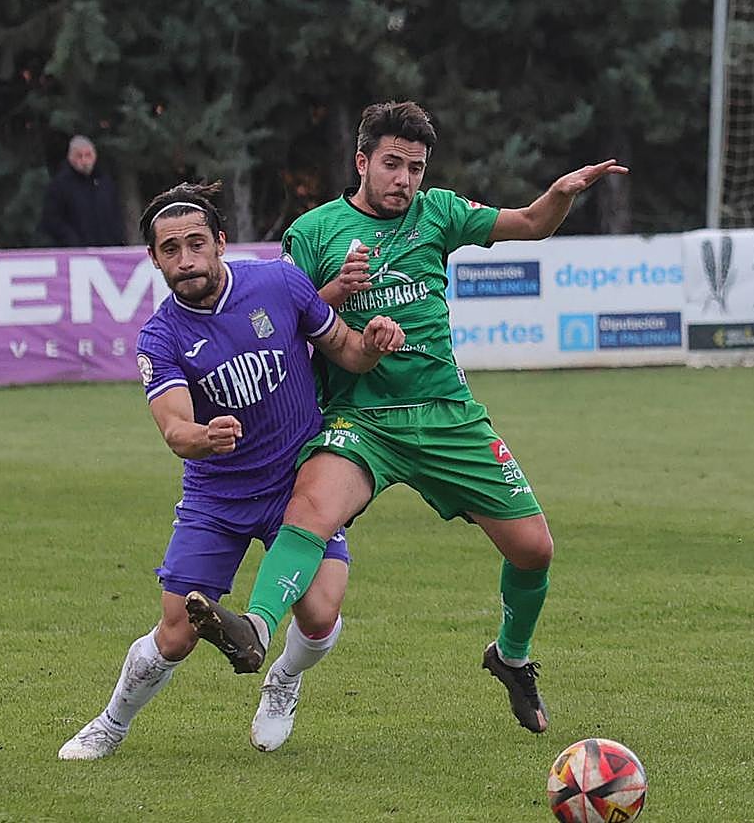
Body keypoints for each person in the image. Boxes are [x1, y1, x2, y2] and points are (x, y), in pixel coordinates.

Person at [184, 100, 628, 735]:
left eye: (415, 167)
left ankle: (511, 657)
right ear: (362, 161)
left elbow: (531, 223)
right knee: (311, 507)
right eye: (392, 164)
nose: (405, 180)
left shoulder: (439, 212)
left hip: (447, 414)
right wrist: (337, 292)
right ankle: (254, 628)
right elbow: (284, 330)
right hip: (362, 417)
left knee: (534, 550)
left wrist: (560, 194)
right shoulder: (313, 232)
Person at [57, 181, 405, 760]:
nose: (186, 259)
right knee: (176, 634)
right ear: (153, 258)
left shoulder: (279, 282)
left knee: (320, 614)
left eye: (197, 243)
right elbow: (174, 430)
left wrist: (372, 343)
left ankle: (284, 679)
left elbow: (345, 350)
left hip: (300, 482)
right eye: (171, 249)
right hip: (216, 497)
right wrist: (204, 436)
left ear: (221, 242)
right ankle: (111, 723)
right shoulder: (160, 336)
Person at [40, 135, 127, 247]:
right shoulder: (60, 185)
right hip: (75, 254)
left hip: (107, 251)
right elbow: (52, 220)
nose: (84, 161)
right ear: (70, 157)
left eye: (88, 155)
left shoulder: (105, 182)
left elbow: (116, 215)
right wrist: (72, 241)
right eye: (79, 156)